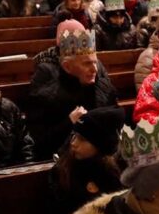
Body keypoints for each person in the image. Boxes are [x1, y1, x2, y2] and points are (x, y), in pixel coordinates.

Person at [26, 24, 119, 159]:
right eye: (87, 63)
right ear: (67, 67)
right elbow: (40, 145)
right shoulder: (47, 96)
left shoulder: (105, 88)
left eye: (95, 62)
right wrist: (69, 122)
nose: (95, 69)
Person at [49, 107, 125, 214]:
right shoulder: (62, 171)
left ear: (101, 145)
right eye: (74, 136)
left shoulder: (115, 172)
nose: (73, 143)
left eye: (82, 139)